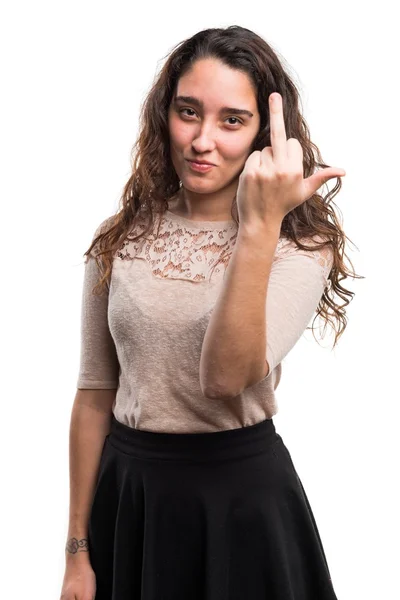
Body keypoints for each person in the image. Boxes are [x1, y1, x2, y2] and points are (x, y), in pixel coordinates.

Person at [60, 25, 360, 600]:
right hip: (129, 499)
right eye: (188, 111)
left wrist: (259, 223)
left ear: (264, 136)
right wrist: (76, 549)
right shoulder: (119, 236)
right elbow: (95, 392)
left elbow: (225, 377)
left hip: (240, 503)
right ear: (163, 115)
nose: (202, 140)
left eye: (232, 120)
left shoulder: (299, 248)